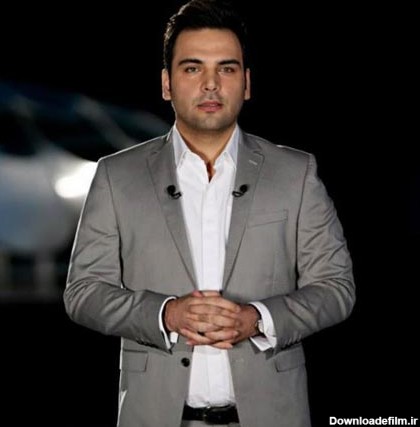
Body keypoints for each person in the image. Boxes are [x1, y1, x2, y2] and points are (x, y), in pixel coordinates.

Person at [64, 0, 355, 426]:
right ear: (166, 83)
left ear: (247, 83)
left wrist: (258, 319)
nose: (211, 84)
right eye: (192, 68)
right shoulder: (116, 176)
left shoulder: (296, 173)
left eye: (227, 68)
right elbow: (83, 292)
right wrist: (166, 314)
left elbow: (335, 288)